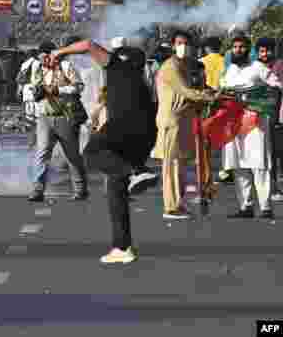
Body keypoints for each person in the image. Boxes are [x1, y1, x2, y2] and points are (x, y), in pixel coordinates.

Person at [55, 39, 157, 264]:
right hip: (146, 134)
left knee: (91, 153)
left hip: (122, 129)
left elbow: (88, 45)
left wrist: (59, 52)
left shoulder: (116, 66)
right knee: (115, 188)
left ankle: (136, 172)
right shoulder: (142, 80)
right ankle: (122, 247)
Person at [152, 31, 216, 220]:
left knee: (180, 165)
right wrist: (209, 97)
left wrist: (212, 92)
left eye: (186, 43)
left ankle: (178, 203)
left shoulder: (187, 66)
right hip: (172, 119)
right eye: (179, 43)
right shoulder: (170, 66)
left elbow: (197, 88)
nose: (183, 46)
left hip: (184, 120)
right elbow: (186, 91)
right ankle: (171, 207)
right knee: (172, 164)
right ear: (173, 46)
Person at [220, 34, 282, 219]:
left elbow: (276, 86)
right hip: (234, 122)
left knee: (259, 163)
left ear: (248, 49)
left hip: (256, 123)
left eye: (242, 47)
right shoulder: (230, 70)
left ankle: (265, 207)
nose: (238, 50)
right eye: (235, 47)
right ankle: (245, 206)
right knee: (238, 163)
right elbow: (222, 89)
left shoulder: (258, 67)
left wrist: (260, 101)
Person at [24, 41, 89, 203]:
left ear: (54, 54)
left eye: (46, 57)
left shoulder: (66, 66)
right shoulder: (38, 68)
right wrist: (36, 92)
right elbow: (33, 87)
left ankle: (80, 189)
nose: (43, 61)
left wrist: (58, 90)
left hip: (65, 117)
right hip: (44, 117)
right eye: (41, 58)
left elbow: (79, 87)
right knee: (42, 154)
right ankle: (37, 190)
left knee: (72, 156)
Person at [254, 38, 283, 202]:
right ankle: (264, 188)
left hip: (275, 117)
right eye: (262, 51)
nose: (265, 54)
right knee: (260, 154)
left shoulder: (279, 66)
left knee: (273, 153)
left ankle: (273, 187)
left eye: (268, 50)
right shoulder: (253, 67)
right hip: (256, 117)